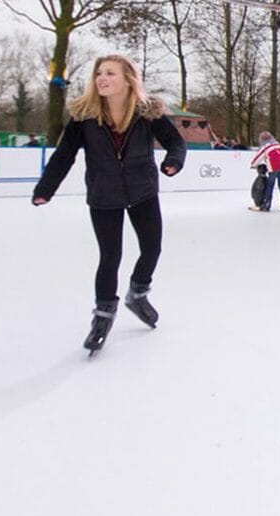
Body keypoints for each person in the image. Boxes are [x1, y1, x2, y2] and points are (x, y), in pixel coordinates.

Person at [32, 55, 186, 354]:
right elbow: (64, 155)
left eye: (110, 73)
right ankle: (102, 317)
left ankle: (138, 294)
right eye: (99, 73)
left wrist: (173, 162)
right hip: (104, 195)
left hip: (143, 191)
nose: (101, 78)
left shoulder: (147, 113)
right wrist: (46, 188)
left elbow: (176, 143)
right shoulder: (84, 117)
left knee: (152, 248)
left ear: (128, 79)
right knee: (110, 256)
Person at [248, 131, 280, 212]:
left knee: (270, 186)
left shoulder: (265, 147)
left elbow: (258, 157)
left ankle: (267, 205)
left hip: (274, 168)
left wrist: (253, 165)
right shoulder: (279, 145)